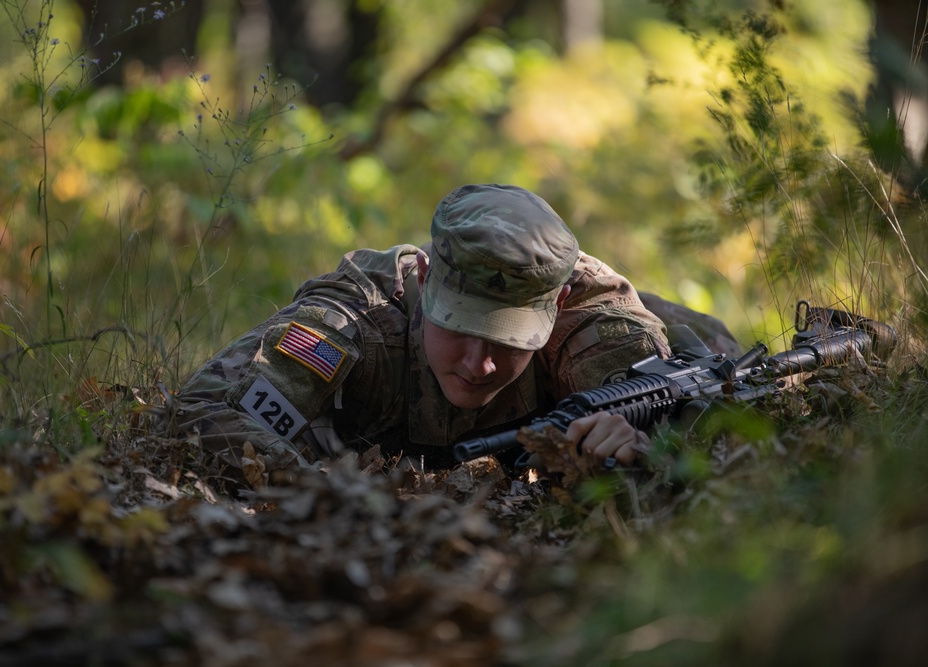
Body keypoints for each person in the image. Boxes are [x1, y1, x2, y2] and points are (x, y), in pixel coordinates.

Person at [165, 184, 738, 478]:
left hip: (672, 327)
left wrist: (639, 449)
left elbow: (703, 426)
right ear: (422, 277)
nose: (478, 362)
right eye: (460, 325)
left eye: (509, 338)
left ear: (557, 303)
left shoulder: (594, 322)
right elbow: (201, 411)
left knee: (720, 351)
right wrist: (313, 488)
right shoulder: (360, 314)